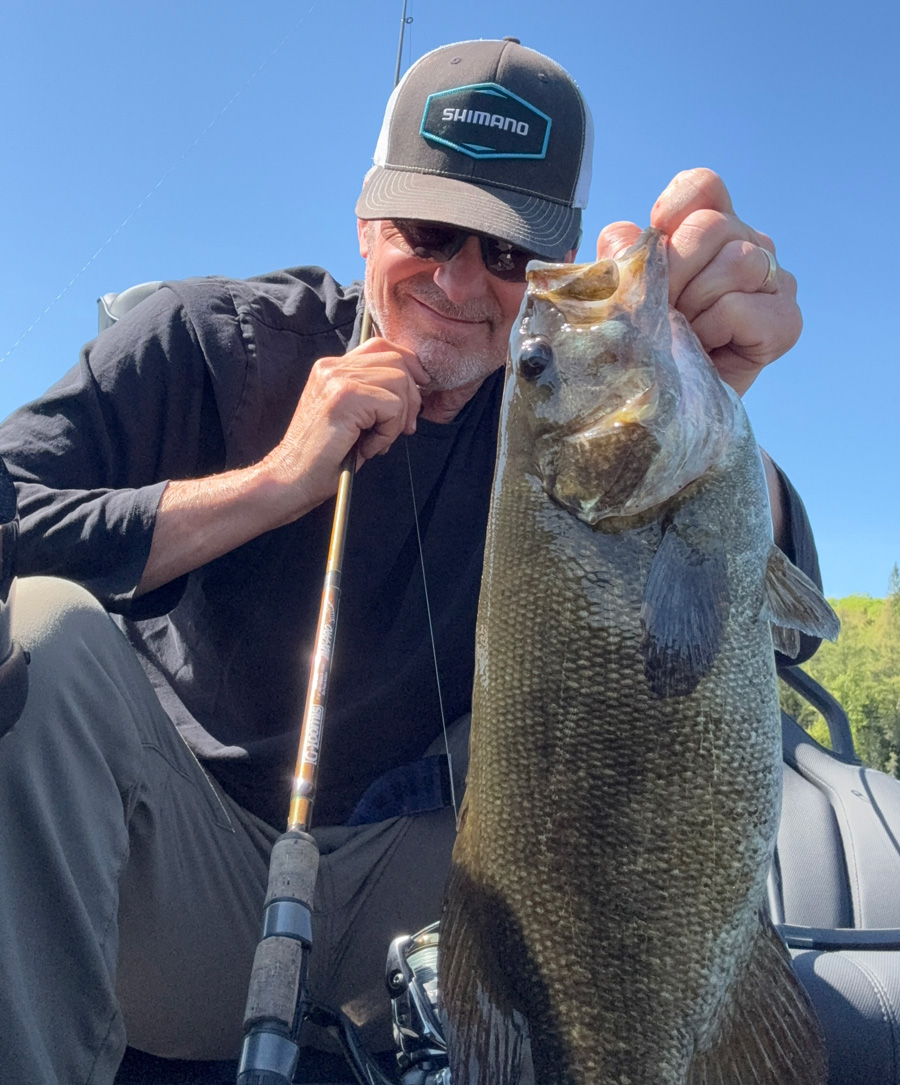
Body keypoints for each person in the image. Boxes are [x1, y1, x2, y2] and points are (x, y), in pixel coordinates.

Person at [0, 38, 820, 1084]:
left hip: (441, 922)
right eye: (429, 231)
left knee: (555, 730)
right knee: (41, 635)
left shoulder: (558, 410)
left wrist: (709, 420)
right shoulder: (208, 339)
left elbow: (774, 632)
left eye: (509, 253)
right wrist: (274, 482)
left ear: (549, 266)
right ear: (365, 221)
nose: (461, 280)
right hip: (167, 896)